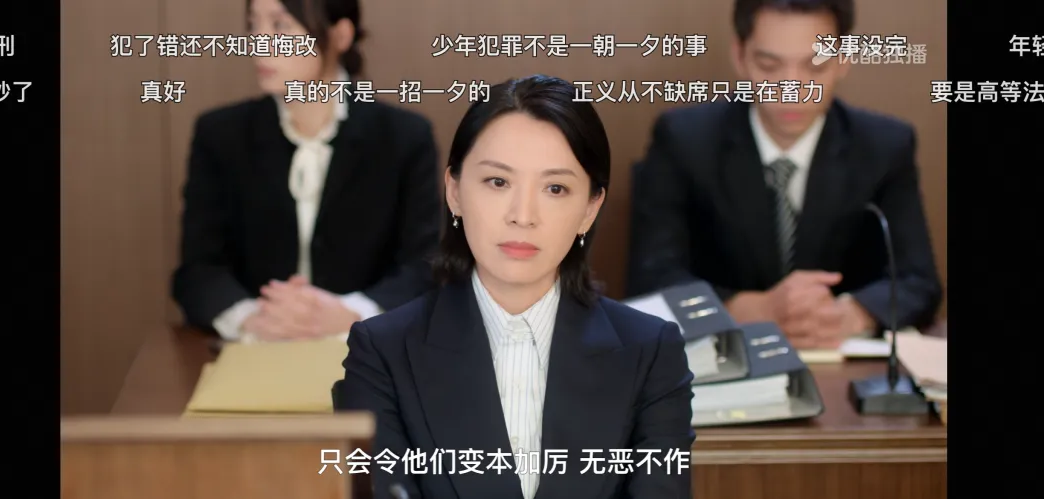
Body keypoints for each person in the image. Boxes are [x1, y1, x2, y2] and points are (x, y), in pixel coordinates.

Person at [338, 75, 695, 499]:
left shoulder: (650, 351)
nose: (522, 215)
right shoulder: (381, 352)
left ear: (589, 208)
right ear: (454, 191)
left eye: (555, 188)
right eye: (498, 182)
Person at [627, 0, 942, 349]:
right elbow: (649, 279)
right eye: (769, 65)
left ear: (843, 59)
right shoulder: (683, 140)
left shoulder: (884, 146)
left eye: (815, 66)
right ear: (740, 56)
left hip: (839, 362)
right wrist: (751, 309)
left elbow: (919, 281)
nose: (792, 87)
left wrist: (849, 314)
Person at [172, 0, 441, 341]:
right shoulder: (220, 135)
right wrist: (253, 317)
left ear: (340, 35)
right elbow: (197, 271)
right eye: (254, 26)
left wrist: (353, 313)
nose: (259, 43)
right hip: (256, 347)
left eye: (280, 26)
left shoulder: (404, 137)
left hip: (366, 347)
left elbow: (423, 267)